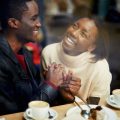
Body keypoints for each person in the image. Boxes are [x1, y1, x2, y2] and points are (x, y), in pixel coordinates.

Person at [0, 0, 81, 115]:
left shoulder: (25, 53)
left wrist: (61, 93)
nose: (39, 24)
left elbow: (35, 97)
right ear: (13, 23)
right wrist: (50, 85)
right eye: (33, 19)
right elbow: (15, 115)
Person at [41, 18, 112, 101]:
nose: (73, 33)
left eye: (83, 34)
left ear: (91, 47)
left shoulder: (100, 67)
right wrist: (55, 88)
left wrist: (73, 98)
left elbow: (97, 107)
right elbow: (42, 99)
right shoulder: (49, 52)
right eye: (74, 26)